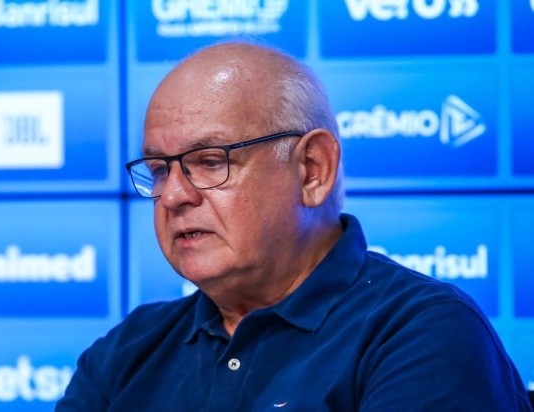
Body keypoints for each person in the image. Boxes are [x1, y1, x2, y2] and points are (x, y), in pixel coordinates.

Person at [56, 41, 532, 411]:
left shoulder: (424, 332)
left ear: (312, 170)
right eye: (160, 170)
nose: (174, 196)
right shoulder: (127, 350)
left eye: (210, 161)